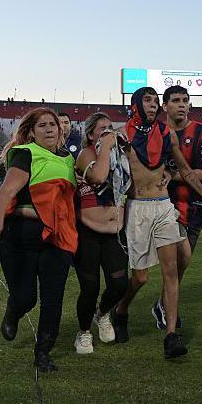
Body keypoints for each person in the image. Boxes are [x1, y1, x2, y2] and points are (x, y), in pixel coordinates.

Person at [111, 87, 202, 358]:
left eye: (155, 101)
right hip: (137, 209)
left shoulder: (165, 133)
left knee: (171, 272)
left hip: (162, 207)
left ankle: (171, 335)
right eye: (147, 100)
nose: (152, 105)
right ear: (136, 104)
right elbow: (110, 174)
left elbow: (183, 169)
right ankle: (121, 309)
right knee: (141, 277)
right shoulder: (122, 136)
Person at [0, 107, 77, 372]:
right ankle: (14, 311)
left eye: (53, 125)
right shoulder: (26, 154)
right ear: (31, 132)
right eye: (42, 125)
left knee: (53, 299)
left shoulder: (68, 159)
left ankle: (43, 352)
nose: (49, 129)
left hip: (56, 241)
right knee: (27, 298)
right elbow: (7, 190)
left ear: (60, 130)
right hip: (20, 238)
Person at [151, 85, 202, 328]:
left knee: (181, 264)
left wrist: (172, 173)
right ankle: (169, 315)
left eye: (185, 100)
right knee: (175, 260)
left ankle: (162, 304)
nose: (182, 104)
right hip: (163, 206)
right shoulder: (155, 133)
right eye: (176, 100)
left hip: (194, 206)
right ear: (165, 106)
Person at [71, 113, 128, 354]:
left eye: (110, 128)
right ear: (91, 134)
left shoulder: (119, 156)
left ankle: (102, 313)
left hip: (114, 231)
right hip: (88, 231)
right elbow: (99, 176)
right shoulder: (86, 154)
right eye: (102, 129)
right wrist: (105, 146)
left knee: (119, 283)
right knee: (90, 287)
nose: (108, 133)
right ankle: (83, 332)